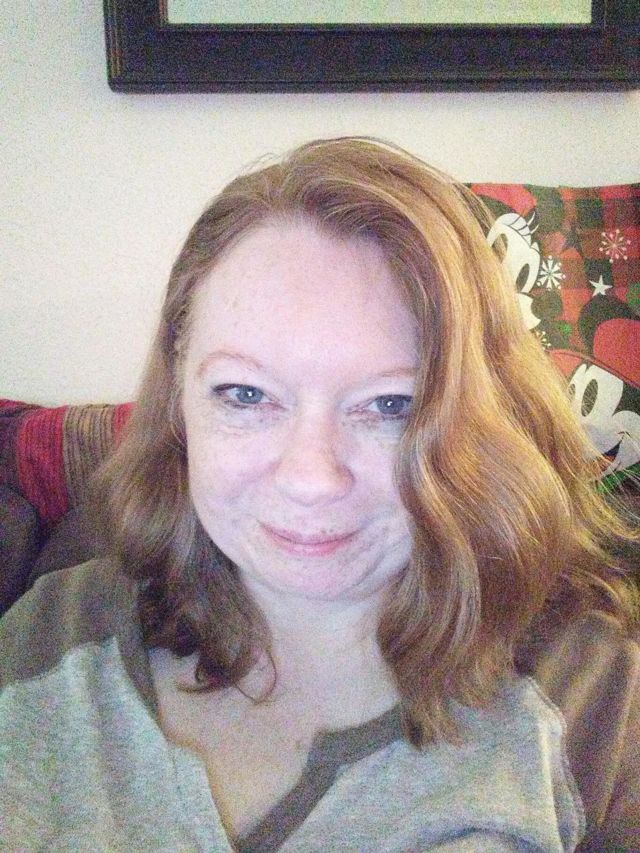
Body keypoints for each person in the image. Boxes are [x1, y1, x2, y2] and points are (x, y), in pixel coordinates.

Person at [1, 137, 638, 852]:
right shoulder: (51, 631)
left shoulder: (588, 684)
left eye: (391, 405)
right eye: (246, 394)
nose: (311, 478)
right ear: (178, 395)